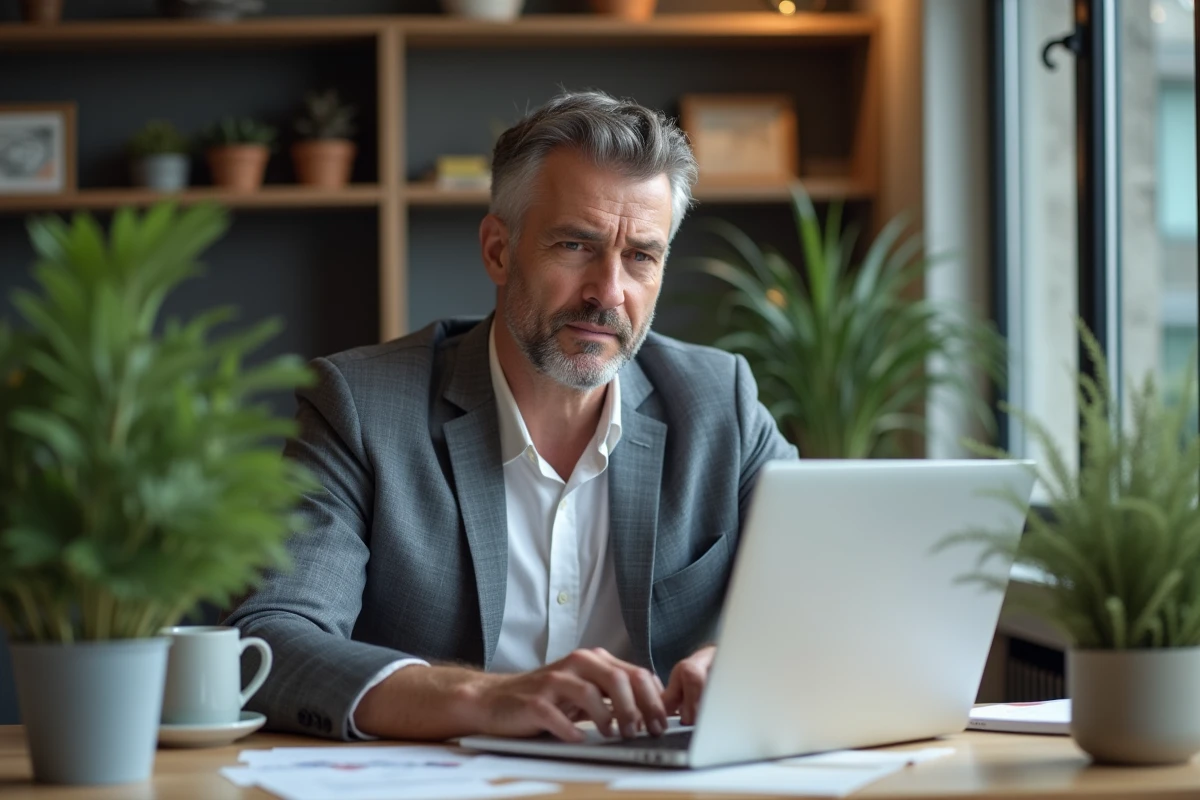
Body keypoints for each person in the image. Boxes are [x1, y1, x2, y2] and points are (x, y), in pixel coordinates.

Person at [226, 90, 797, 743]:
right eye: (576, 246)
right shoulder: (361, 406)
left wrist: (745, 666)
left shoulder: (718, 401)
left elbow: (832, 593)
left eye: (641, 255)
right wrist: (486, 699)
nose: (608, 293)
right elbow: (268, 641)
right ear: (499, 250)